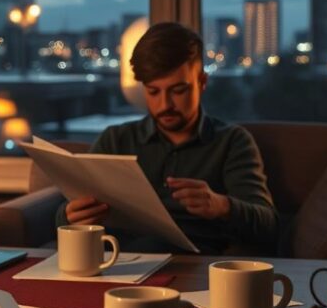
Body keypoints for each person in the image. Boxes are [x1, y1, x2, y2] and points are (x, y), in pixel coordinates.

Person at [56, 22, 278, 254]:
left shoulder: (231, 142)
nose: (165, 105)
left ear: (201, 83)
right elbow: (67, 215)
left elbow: (268, 227)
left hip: (194, 268)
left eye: (178, 90)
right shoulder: (116, 140)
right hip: (118, 264)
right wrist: (69, 216)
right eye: (153, 92)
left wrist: (222, 206)